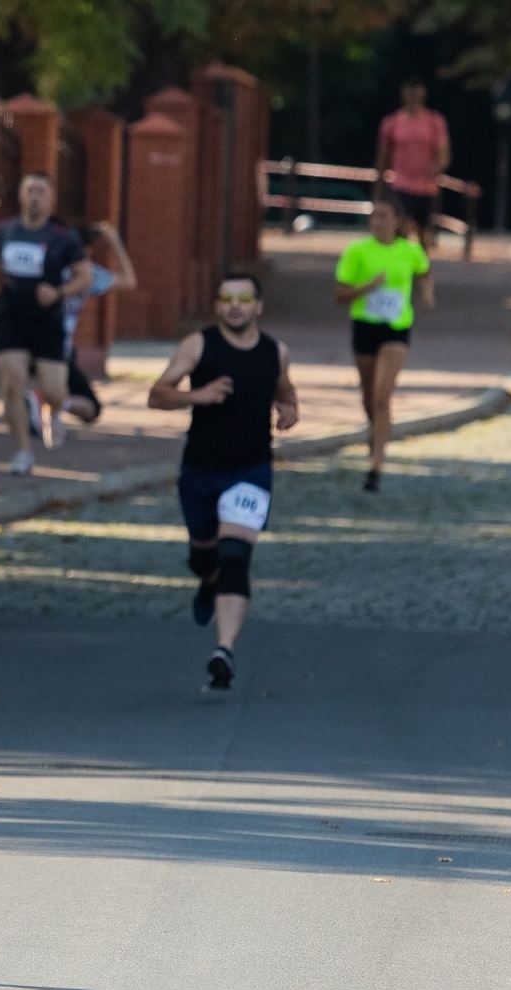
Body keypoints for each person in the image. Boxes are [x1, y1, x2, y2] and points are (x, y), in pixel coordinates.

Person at [147, 275, 298, 690]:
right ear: (217, 306)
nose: (235, 306)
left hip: (251, 471)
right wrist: (199, 396)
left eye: (244, 298)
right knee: (204, 555)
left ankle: (224, 650)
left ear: (258, 306)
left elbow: (285, 393)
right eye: (227, 299)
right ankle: (206, 578)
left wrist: (289, 410)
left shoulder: (275, 352)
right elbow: (157, 394)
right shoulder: (199, 345)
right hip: (199, 470)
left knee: (235, 556)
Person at [0, 173, 92, 475]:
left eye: (41, 191)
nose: (35, 196)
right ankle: (23, 453)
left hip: (48, 321)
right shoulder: (5, 231)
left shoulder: (63, 236)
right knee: (11, 384)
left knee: (55, 392)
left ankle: (53, 410)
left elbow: (84, 276)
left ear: (51, 198)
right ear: (21, 196)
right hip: (11, 317)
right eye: (30, 190)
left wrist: (59, 292)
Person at [333, 199, 434, 493]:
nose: (377, 221)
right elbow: (339, 296)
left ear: (397, 222)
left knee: (381, 396)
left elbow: (425, 272)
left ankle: (376, 465)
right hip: (365, 326)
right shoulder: (357, 251)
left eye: (384, 216)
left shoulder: (410, 251)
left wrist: (428, 296)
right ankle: (376, 432)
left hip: (397, 328)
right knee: (368, 397)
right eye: (374, 216)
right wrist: (366, 288)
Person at [57, 220, 138, 426]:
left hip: (55, 348)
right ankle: (50, 403)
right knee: (92, 408)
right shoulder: (87, 274)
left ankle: (47, 404)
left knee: (89, 406)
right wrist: (114, 241)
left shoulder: (50, 265)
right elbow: (128, 279)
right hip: (57, 348)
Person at [375, 76, 451, 251]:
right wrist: (378, 186)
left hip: (427, 188)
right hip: (401, 185)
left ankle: (421, 271)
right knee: (400, 230)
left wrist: (437, 167)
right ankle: (401, 269)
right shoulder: (392, 122)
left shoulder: (434, 121)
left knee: (424, 234)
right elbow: (382, 156)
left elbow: (444, 153)